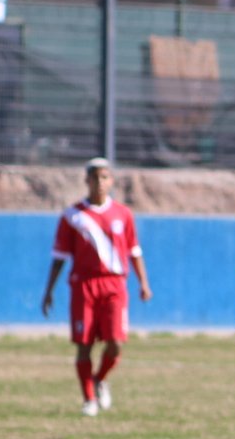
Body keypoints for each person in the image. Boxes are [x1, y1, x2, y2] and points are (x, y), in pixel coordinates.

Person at [41, 158, 152, 416]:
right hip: (84, 285)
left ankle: (99, 378)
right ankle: (88, 399)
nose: (100, 183)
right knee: (84, 344)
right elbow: (59, 257)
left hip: (114, 285)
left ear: (111, 181)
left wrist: (144, 283)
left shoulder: (123, 214)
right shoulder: (73, 216)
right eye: (95, 178)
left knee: (115, 343)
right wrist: (49, 291)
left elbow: (134, 251)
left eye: (105, 177)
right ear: (86, 180)